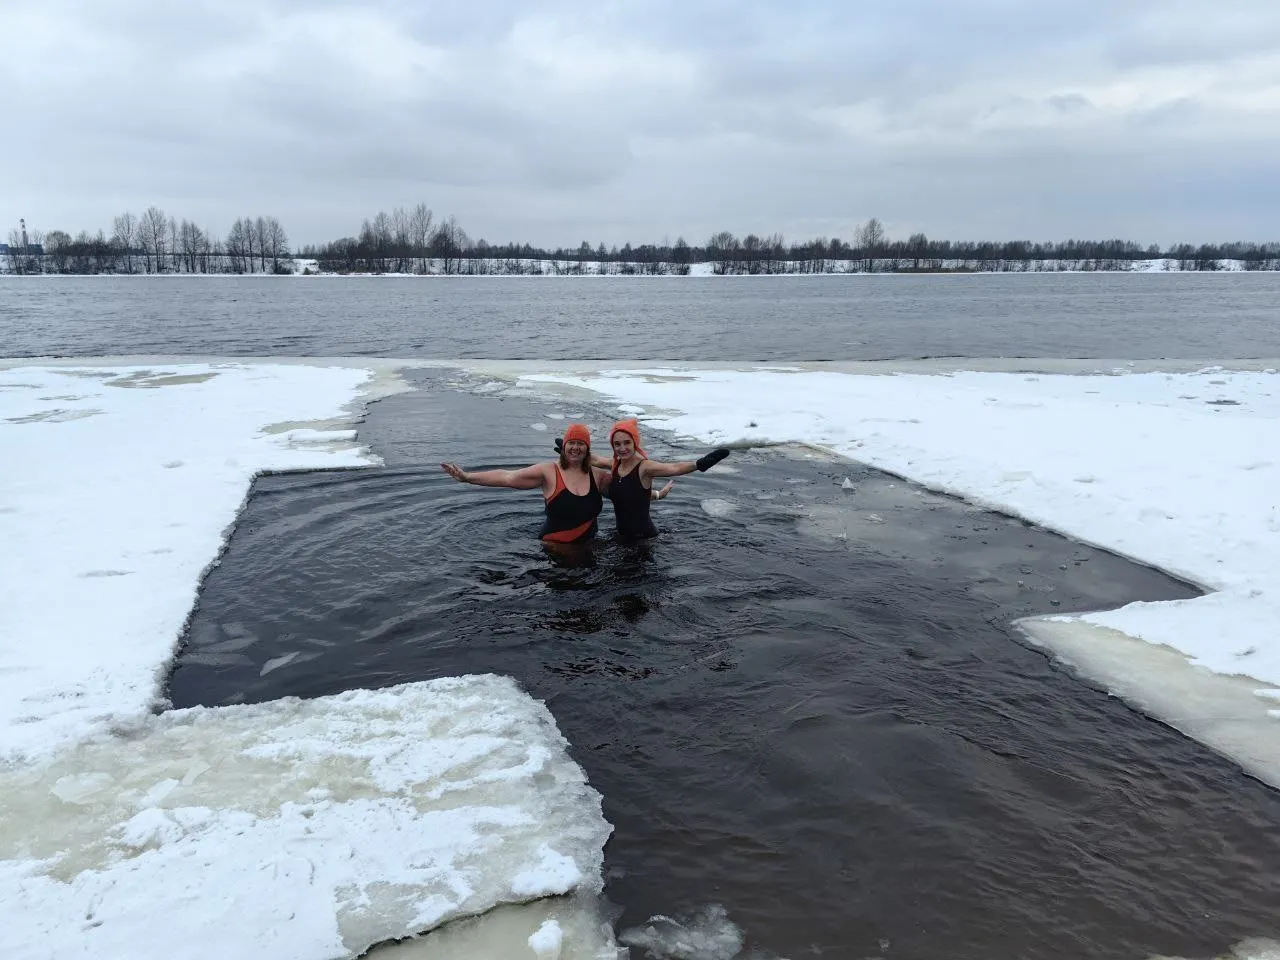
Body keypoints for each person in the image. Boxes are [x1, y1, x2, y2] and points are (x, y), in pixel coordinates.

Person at [441, 423, 607, 544]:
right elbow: (507, 477)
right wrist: (467, 477)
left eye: (581, 444)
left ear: (588, 449)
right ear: (564, 447)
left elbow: (628, 483)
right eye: (571, 443)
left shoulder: (598, 476)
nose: (575, 448)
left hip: (590, 548)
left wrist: (604, 462)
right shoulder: (548, 472)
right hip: (554, 552)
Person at [584, 417, 730, 539]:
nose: (622, 448)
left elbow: (674, 468)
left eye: (627, 442)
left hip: (644, 539)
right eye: (617, 444)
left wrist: (700, 464)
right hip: (622, 536)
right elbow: (595, 460)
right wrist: (571, 451)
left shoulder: (644, 467)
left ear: (635, 442)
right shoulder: (615, 465)